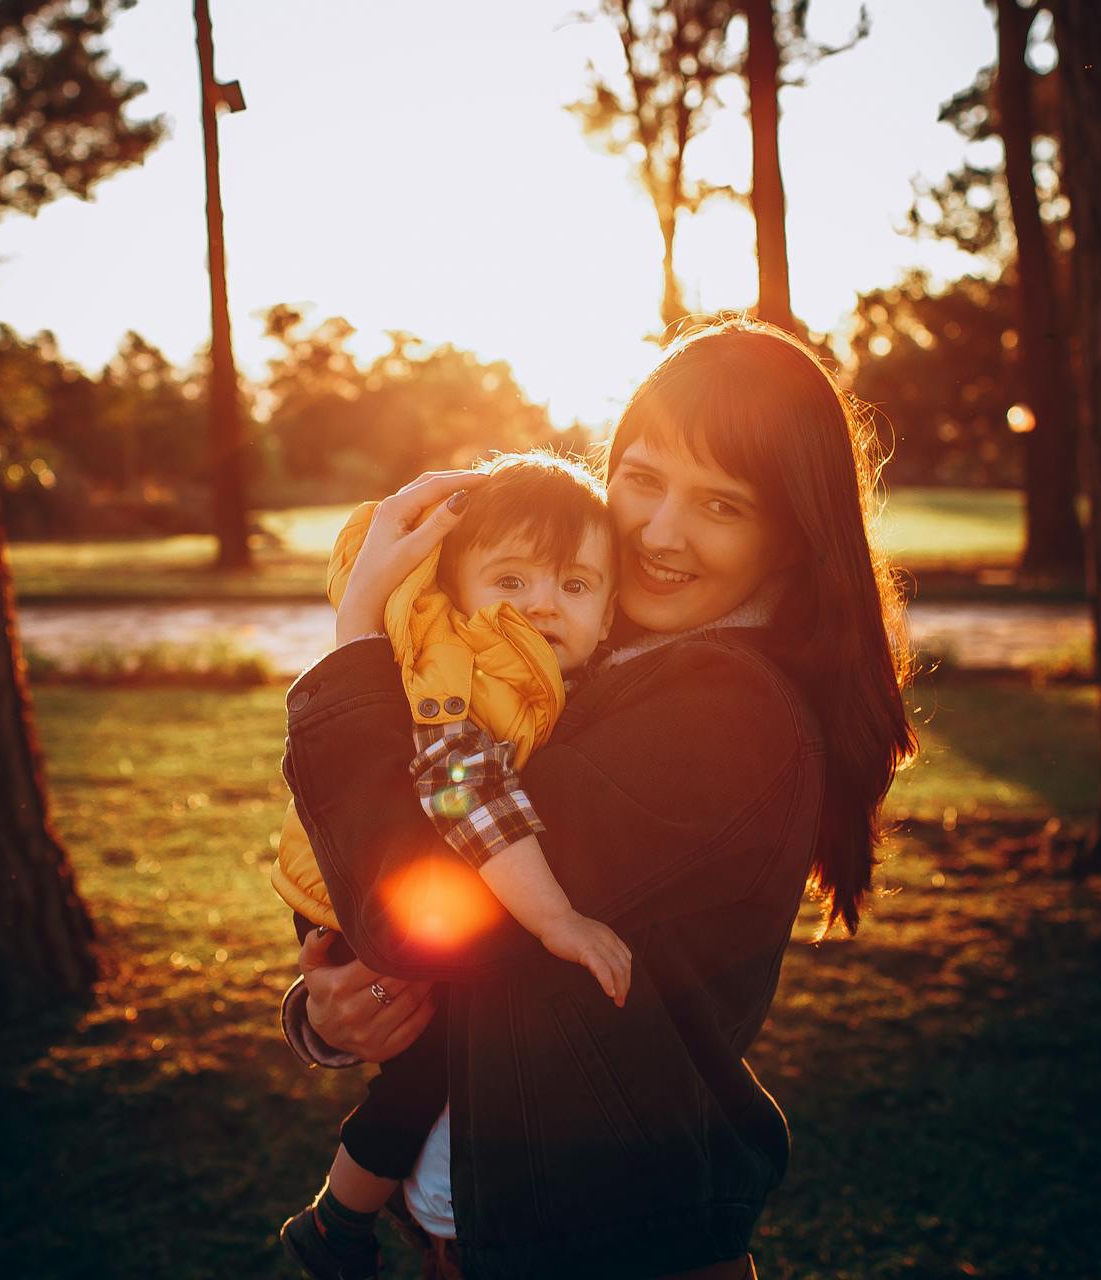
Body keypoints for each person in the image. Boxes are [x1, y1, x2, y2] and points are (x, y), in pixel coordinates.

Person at [279, 318, 918, 1279]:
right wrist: (330, 1014)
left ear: (792, 540)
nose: (660, 532)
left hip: (605, 1248)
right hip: (494, 1224)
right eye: (645, 477)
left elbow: (413, 915)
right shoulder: (579, 664)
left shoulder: (727, 714)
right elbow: (421, 930)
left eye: (721, 505)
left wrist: (360, 640)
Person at [271, 453, 635, 1280]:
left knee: (434, 1057)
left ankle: (348, 1218)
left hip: (413, 891)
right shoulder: (468, 673)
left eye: (575, 587)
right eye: (511, 580)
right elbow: (460, 786)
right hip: (354, 890)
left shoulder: (548, 676)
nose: (543, 604)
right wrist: (555, 918)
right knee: (429, 1063)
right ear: (457, 588)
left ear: (610, 615)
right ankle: (337, 1222)